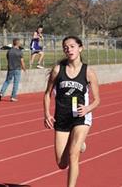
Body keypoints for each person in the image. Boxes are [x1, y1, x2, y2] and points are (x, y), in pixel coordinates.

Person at [43, 36, 100, 187]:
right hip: (61, 118)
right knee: (61, 164)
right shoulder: (58, 70)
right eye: (66, 47)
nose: (69, 49)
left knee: (73, 155)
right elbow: (47, 94)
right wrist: (47, 114)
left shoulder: (88, 72)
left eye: (72, 46)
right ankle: (80, 144)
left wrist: (87, 108)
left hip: (81, 117)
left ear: (80, 48)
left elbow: (97, 100)